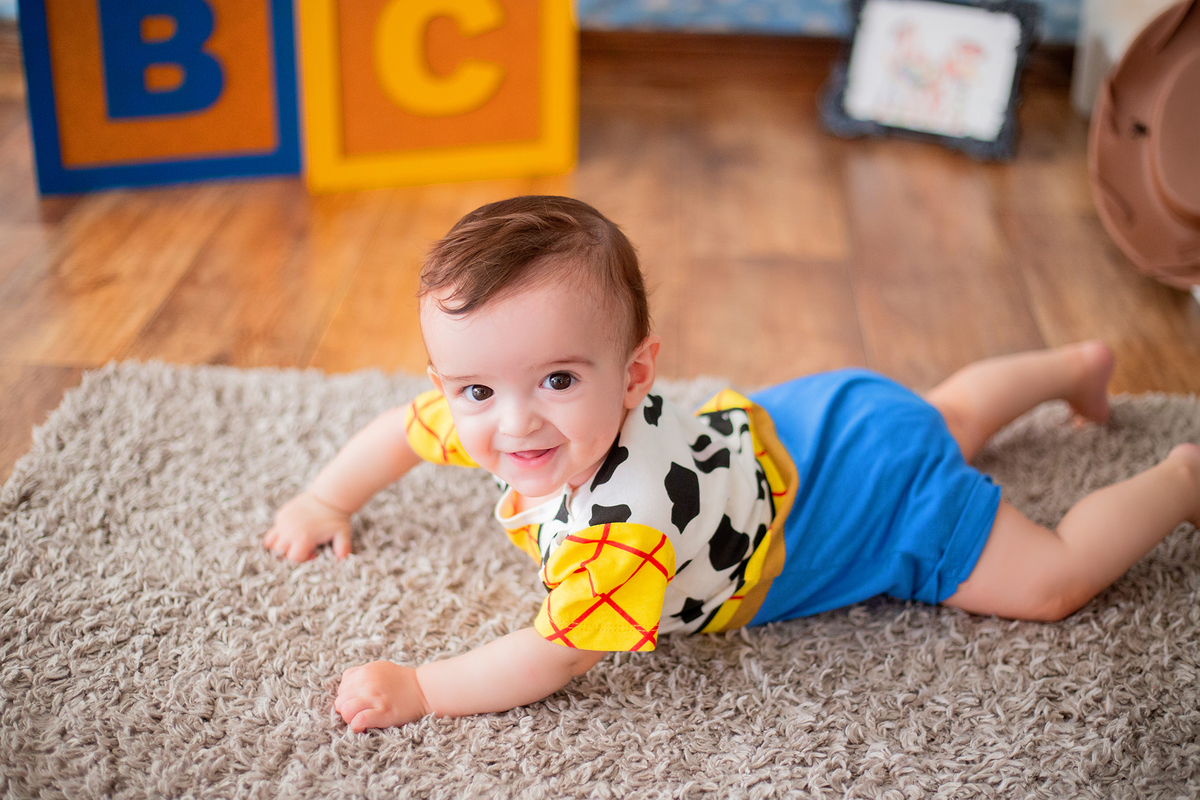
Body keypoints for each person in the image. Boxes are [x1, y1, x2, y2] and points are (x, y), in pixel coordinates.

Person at [264, 196, 1200, 733]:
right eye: (474, 393)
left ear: (635, 374)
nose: (513, 424)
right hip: (821, 414)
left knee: (1050, 580)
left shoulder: (618, 536)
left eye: (556, 379)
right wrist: (325, 494)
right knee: (940, 414)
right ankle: (1074, 368)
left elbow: (550, 656)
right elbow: (400, 428)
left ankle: (1180, 480)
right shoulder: (496, 410)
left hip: (871, 506)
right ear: (449, 381)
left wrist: (425, 687)